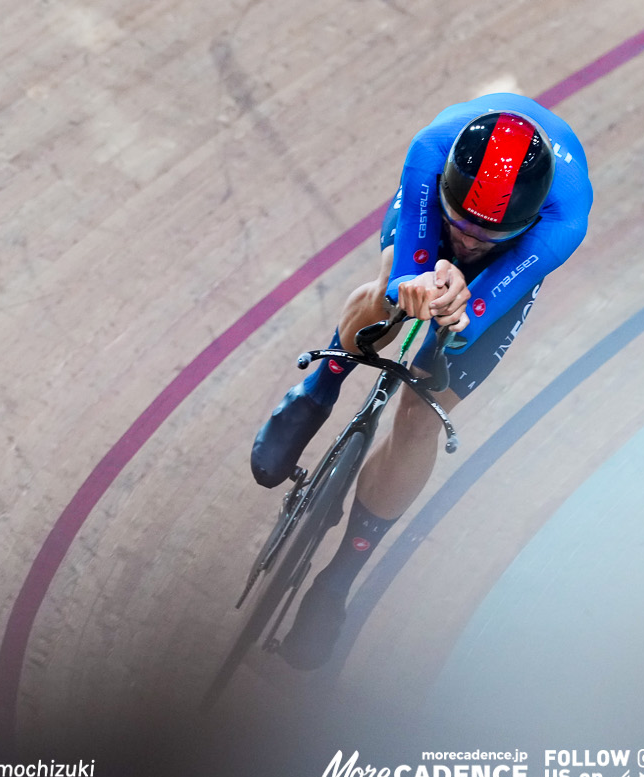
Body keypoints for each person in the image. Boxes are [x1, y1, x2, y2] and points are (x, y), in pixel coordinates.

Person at [250, 95, 593, 667]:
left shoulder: (561, 223)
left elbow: (472, 322)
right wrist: (414, 282)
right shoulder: (430, 152)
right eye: (459, 226)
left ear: (525, 223)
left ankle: (340, 579)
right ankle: (320, 388)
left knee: (422, 411)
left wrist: (460, 315)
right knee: (391, 288)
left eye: (484, 237)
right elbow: (410, 269)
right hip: (432, 213)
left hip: (511, 267)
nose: (466, 242)